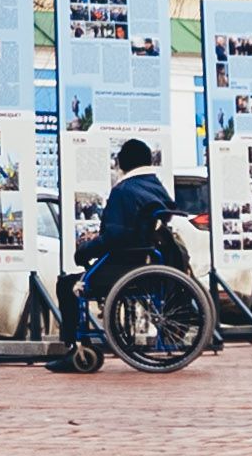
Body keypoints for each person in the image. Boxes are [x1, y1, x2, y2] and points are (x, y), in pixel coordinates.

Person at [49, 139, 184, 371]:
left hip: (124, 268)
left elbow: (114, 236)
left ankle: (74, 348)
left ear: (123, 162)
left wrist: (84, 250)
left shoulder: (123, 191)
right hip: (148, 262)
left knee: (66, 284)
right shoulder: (155, 186)